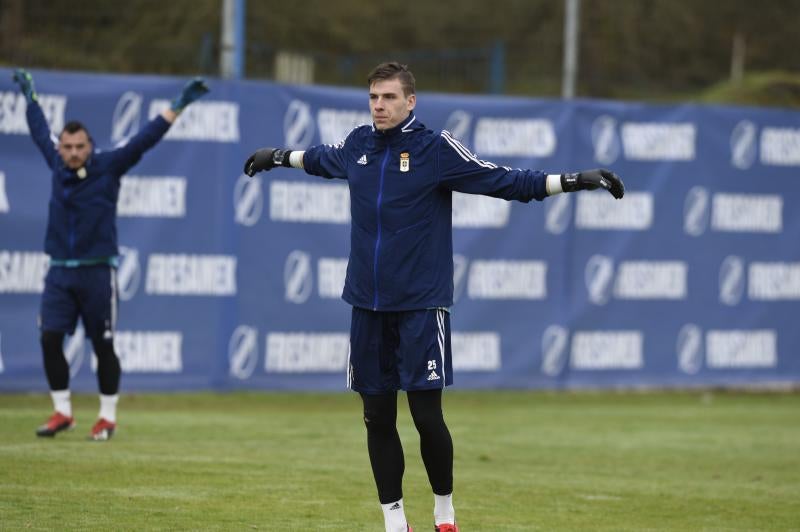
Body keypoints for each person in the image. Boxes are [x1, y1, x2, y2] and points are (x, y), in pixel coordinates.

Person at [243, 62, 624, 532]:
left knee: (426, 416)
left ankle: (444, 513)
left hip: (421, 305)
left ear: (410, 102)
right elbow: (319, 158)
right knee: (376, 416)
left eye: (388, 97)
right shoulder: (358, 145)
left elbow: (504, 180)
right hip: (366, 305)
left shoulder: (434, 149)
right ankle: (394, 521)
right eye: (374, 98)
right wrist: (277, 156)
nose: (379, 105)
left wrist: (572, 180)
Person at [12, 69, 209, 441]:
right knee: (50, 339)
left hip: (97, 273)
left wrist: (179, 105)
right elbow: (39, 129)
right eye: (67, 147)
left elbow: (145, 139)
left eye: (79, 147)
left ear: (90, 146)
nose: (72, 153)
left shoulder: (108, 166)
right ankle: (62, 412)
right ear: (60, 149)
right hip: (59, 272)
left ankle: (107, 417)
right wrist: (30, 97)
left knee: (103, 345)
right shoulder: (56, 164)